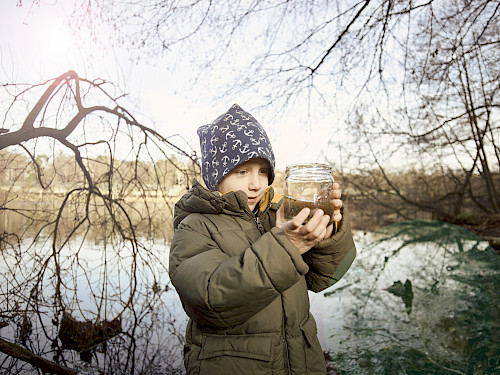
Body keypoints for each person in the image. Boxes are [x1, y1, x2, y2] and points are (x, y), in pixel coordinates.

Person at [169, 103, 356, 375]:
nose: (256, 183)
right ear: (216, 175)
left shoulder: (276, 215)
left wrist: (325, 236)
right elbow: (210, 300)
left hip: (302, 363)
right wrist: (287, 246)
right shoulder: (194, 226)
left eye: (263, 171)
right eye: (242, 171)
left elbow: (323, 278)